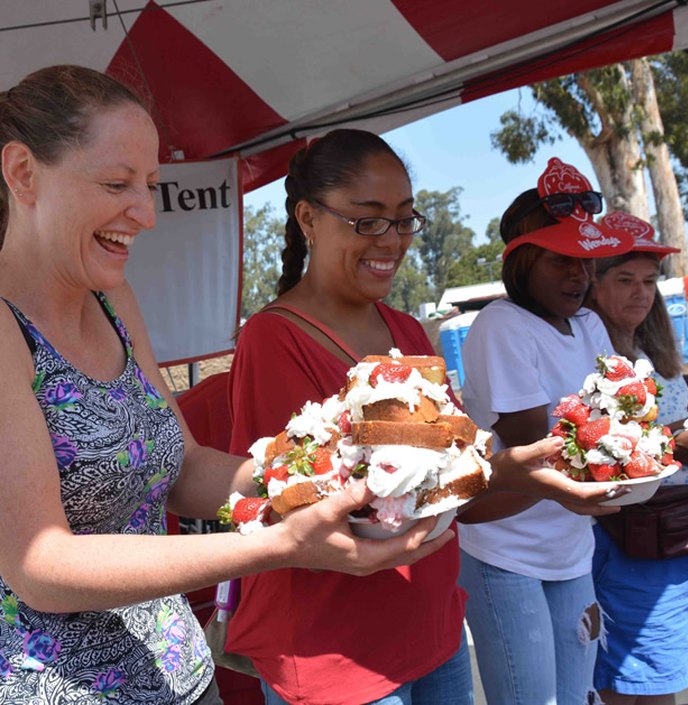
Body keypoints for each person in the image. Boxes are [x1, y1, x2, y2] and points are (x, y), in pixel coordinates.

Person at [0, 66, 458, 705]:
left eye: (152, 186)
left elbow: (185, 468)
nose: (147, 215)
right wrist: (274, 545)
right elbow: (40, 567)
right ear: (22, 173)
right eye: (116, 183)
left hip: (179, 673)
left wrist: (318, 471)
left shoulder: (113, 299)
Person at [223, 138, 625, 705]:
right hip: (336, 655)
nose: (392, 241)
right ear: (309, 218)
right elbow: (288, 507)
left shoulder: (409, 332)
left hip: (433, 632)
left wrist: (540, 478)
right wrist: (505, 475)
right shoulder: (273, 339)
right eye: (367, 222)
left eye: (404, 219)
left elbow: (454, 489)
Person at [457, 157, 637, 705]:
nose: (578, 274)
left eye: (585, 260)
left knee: (580, 694)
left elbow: (621, 411)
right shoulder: (501, 324)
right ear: (522, 261)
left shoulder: (589, 323)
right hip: (504, 552)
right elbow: (534, 438)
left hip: (569, 547)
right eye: (561, 259)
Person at [585, 213, 688, 705]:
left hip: (680, 529)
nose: (640, 293)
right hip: (631, 536)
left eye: (649, 281)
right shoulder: (588, 350)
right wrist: (678, 445)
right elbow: (601, 450)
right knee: (634, 679)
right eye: (625, 279)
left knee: (665, 674)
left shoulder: (652, 347)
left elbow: (669, 432)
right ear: (594, 283)